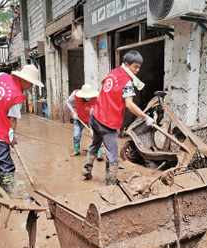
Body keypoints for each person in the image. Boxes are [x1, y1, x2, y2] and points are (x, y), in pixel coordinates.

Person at [81, 50, 156, 186]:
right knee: (112, 153)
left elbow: (104, 82)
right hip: (107, 122)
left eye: (139, 67)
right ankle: (111, 184)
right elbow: (130, 105)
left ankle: (86, 169)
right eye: (135, 67)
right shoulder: (127, 82)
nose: (138, 70)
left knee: (95, 142)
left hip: (95, 115)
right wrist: (146, 117)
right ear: (126, 64)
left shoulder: (113, 72)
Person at [0, 64, 43, 197]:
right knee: (7, 166)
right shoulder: (17, 96)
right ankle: (10, 195)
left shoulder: (2, 77)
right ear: (24, 80)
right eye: (31, 83)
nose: (31, 87)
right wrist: (11, 137)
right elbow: (12, 120)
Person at [66, 84, 103, 159]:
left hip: (91, 119)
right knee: (76, 135)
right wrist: (73, 112)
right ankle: (76, 150)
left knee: (95, 135)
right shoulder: (75, 93)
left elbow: (101, 109)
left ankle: (99, 153)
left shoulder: (96, 98)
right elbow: (68, 101)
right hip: (78, 117)